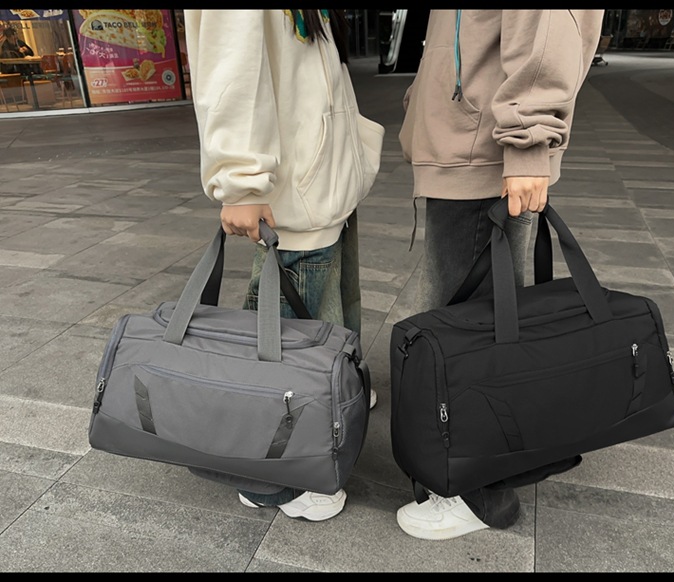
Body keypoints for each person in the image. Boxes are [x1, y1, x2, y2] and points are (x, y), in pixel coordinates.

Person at [396, 9, 604, 540]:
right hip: (469, 143)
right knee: (470, 324)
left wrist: (528, 144)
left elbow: (547, 25)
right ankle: (474, 473)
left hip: (482, 151)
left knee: (471, 337)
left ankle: (480, 494)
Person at [184, 10, 384, 521]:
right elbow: (231, 67)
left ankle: (337, 399)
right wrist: (240, 180)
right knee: (287, 342)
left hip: (320, 185)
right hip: (293, 194)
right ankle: (274, 482)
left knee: (325, 321)